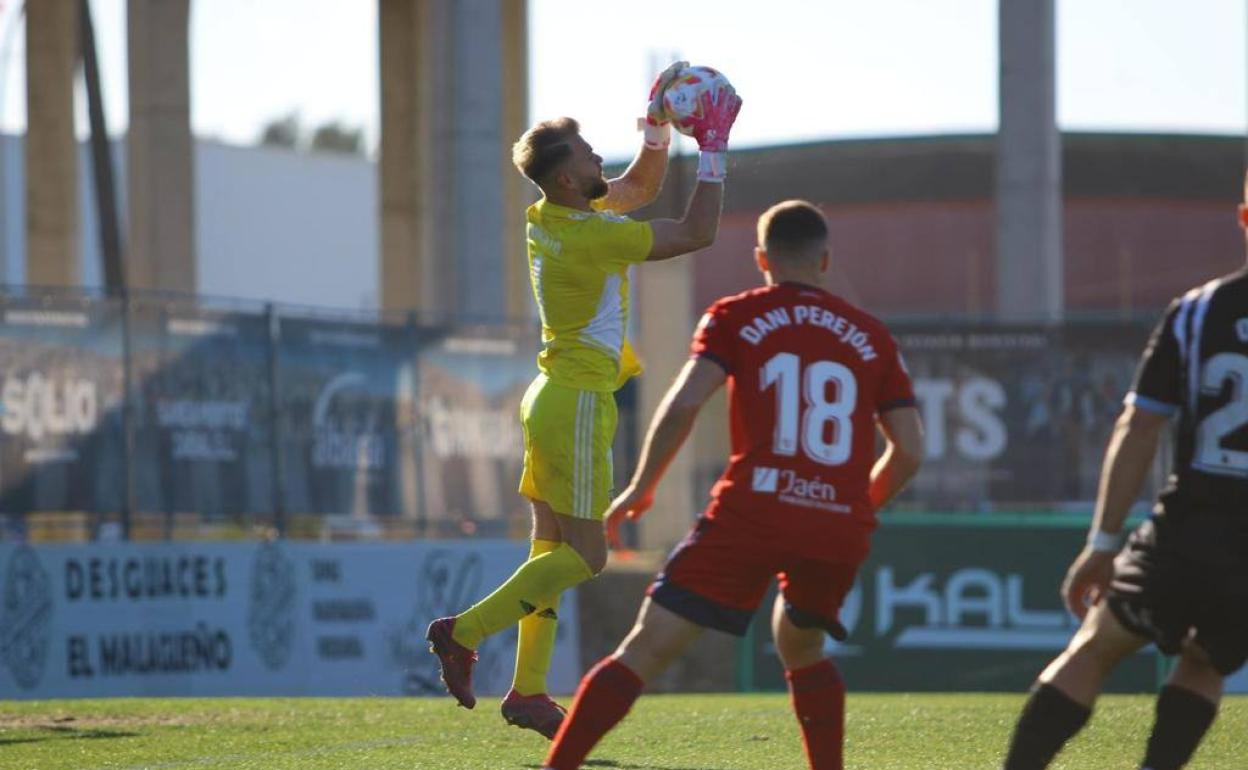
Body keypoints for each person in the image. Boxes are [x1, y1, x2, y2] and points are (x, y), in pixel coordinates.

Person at [541, 200, 925, 770]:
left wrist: (641, 487)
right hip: (837, 525)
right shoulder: (871, 335)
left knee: (645, 648)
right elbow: (911, 450)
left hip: (754, 510)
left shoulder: (736, 316)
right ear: (825, 260)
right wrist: (852, 507)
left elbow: (684, 405)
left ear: (761, 259)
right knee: (803, 646)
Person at [425, 63, 744, 739]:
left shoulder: (554, 214)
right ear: (570, 178)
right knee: (589, 559)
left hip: (551, 397)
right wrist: (711, 147)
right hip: (575, 404)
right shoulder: (591, 236)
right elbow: (696, 233)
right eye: (589, 153)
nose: (602, 157)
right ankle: (463, 632)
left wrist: (657, 128)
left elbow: (635, 186)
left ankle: (529, 692)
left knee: (549, 554)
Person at [1002, 172, 1248, 770]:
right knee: (1204, 661)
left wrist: (1103, 542)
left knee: (1097, 645)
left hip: (1187, 524)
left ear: (1243, 217)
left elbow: (1138, 428)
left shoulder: (1196, 313)